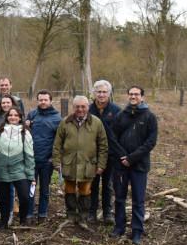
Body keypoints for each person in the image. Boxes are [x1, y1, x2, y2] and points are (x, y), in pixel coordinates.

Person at [111, 86, 158, 245]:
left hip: (139, 166)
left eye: (136, 94)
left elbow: (150, 142)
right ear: (127, 96)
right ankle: (119, 227)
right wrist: (122, 156)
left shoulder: (149, 117)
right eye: (131, 94)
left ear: (142, 97)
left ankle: (137, 231)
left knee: (138, 200)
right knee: (119, 198)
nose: (133, 97)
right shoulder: (120, 116)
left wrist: (131, 158)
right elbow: (113, 138)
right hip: (120, 165)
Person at [52, 96, 108, 228]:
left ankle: (83, 216)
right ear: (73, 107)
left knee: (85, 190)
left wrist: (101, 164)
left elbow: (103, 145)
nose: (80, 109)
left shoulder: (96, 123)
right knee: (69, 189)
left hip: (88, 164)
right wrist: (56, 161)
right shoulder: (65, 122)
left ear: (88, 107)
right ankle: (71, 215)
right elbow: (57, 145)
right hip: (69, 163)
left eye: (83, 106)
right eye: (77, 107)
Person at [0, 107, 35, 228]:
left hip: (19, 170)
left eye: (16, 115)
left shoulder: (24, 132)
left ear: (20, 117)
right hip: (2, 170)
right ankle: (4, 222)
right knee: (3, 199)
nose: (13, 117)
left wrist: (30, 175)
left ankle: (23, 220)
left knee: (25, 197)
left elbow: (29, 155)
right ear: (7, 117)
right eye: (10, 115)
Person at [26, 90, 61, 223]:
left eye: (45, 100)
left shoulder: (57, 118)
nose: (43, 102)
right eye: (40, 100)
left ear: (50, 100)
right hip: (32, 160)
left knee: (45, 189)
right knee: (31, 188)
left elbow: (60, 141)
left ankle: (42, 214)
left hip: (47, 161)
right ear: (37, 101)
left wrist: (54, 158)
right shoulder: (32, 115)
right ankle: (29, 214)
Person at [88, 80, 121, 224]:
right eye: (99, 92)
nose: (101, 95)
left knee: (108, 185)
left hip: (110, 155)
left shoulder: (116, 111)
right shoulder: (87, 110)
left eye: (104, 92)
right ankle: (91, 213)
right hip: (91, 155)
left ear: (109, 93)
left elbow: (121, 134)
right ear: (94, 93)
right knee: (92, 184)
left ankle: (108, 213)